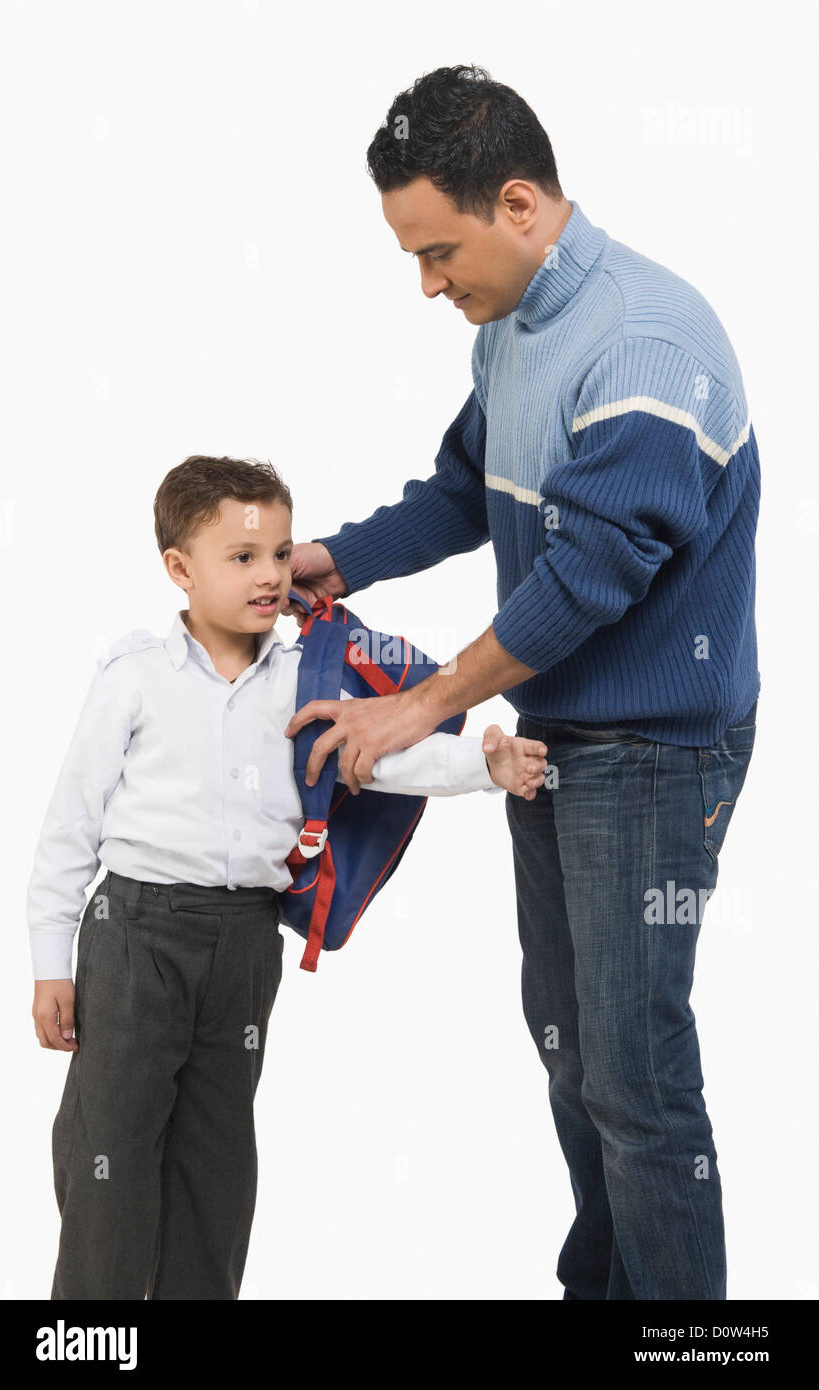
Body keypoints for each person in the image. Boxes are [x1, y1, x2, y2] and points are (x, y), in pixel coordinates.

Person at [284, 66, 761, 1300]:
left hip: (654, 754)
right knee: (568, 1048)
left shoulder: (643, 343)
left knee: (634, 1070)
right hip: (561, 734)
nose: (429, 285)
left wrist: (425, 700)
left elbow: (590, 575)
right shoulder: (515, 327)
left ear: (516, 203)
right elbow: (461, 488)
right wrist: (332, 558)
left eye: (438, 253)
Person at [27, 453, 549, 1301]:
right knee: (109, 1154)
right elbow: (69, 830)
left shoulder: (308, 676)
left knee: (216, 1161)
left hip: (241, 943)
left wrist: (481, 766)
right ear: (179, 570)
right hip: (135, 938)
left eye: (278, 552)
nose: (269, 575)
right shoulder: (135, 677)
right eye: (241, 558)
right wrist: (53, 960)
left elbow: (384, 758)